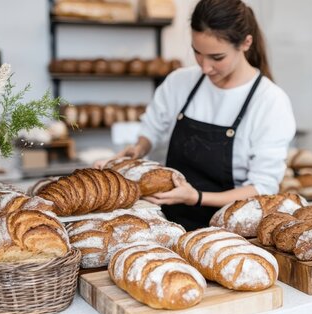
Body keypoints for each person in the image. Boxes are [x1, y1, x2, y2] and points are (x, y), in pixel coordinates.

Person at [96, 0, 296, 230]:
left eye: (217, 57)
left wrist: (197, 197)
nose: (204, 67)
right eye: (197, 53)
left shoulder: (269, 101)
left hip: (229, 233)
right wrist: (137, 149)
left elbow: (262, 187)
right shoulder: (181, 82)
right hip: (168, 224)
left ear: (246, 43)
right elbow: (152, 129)